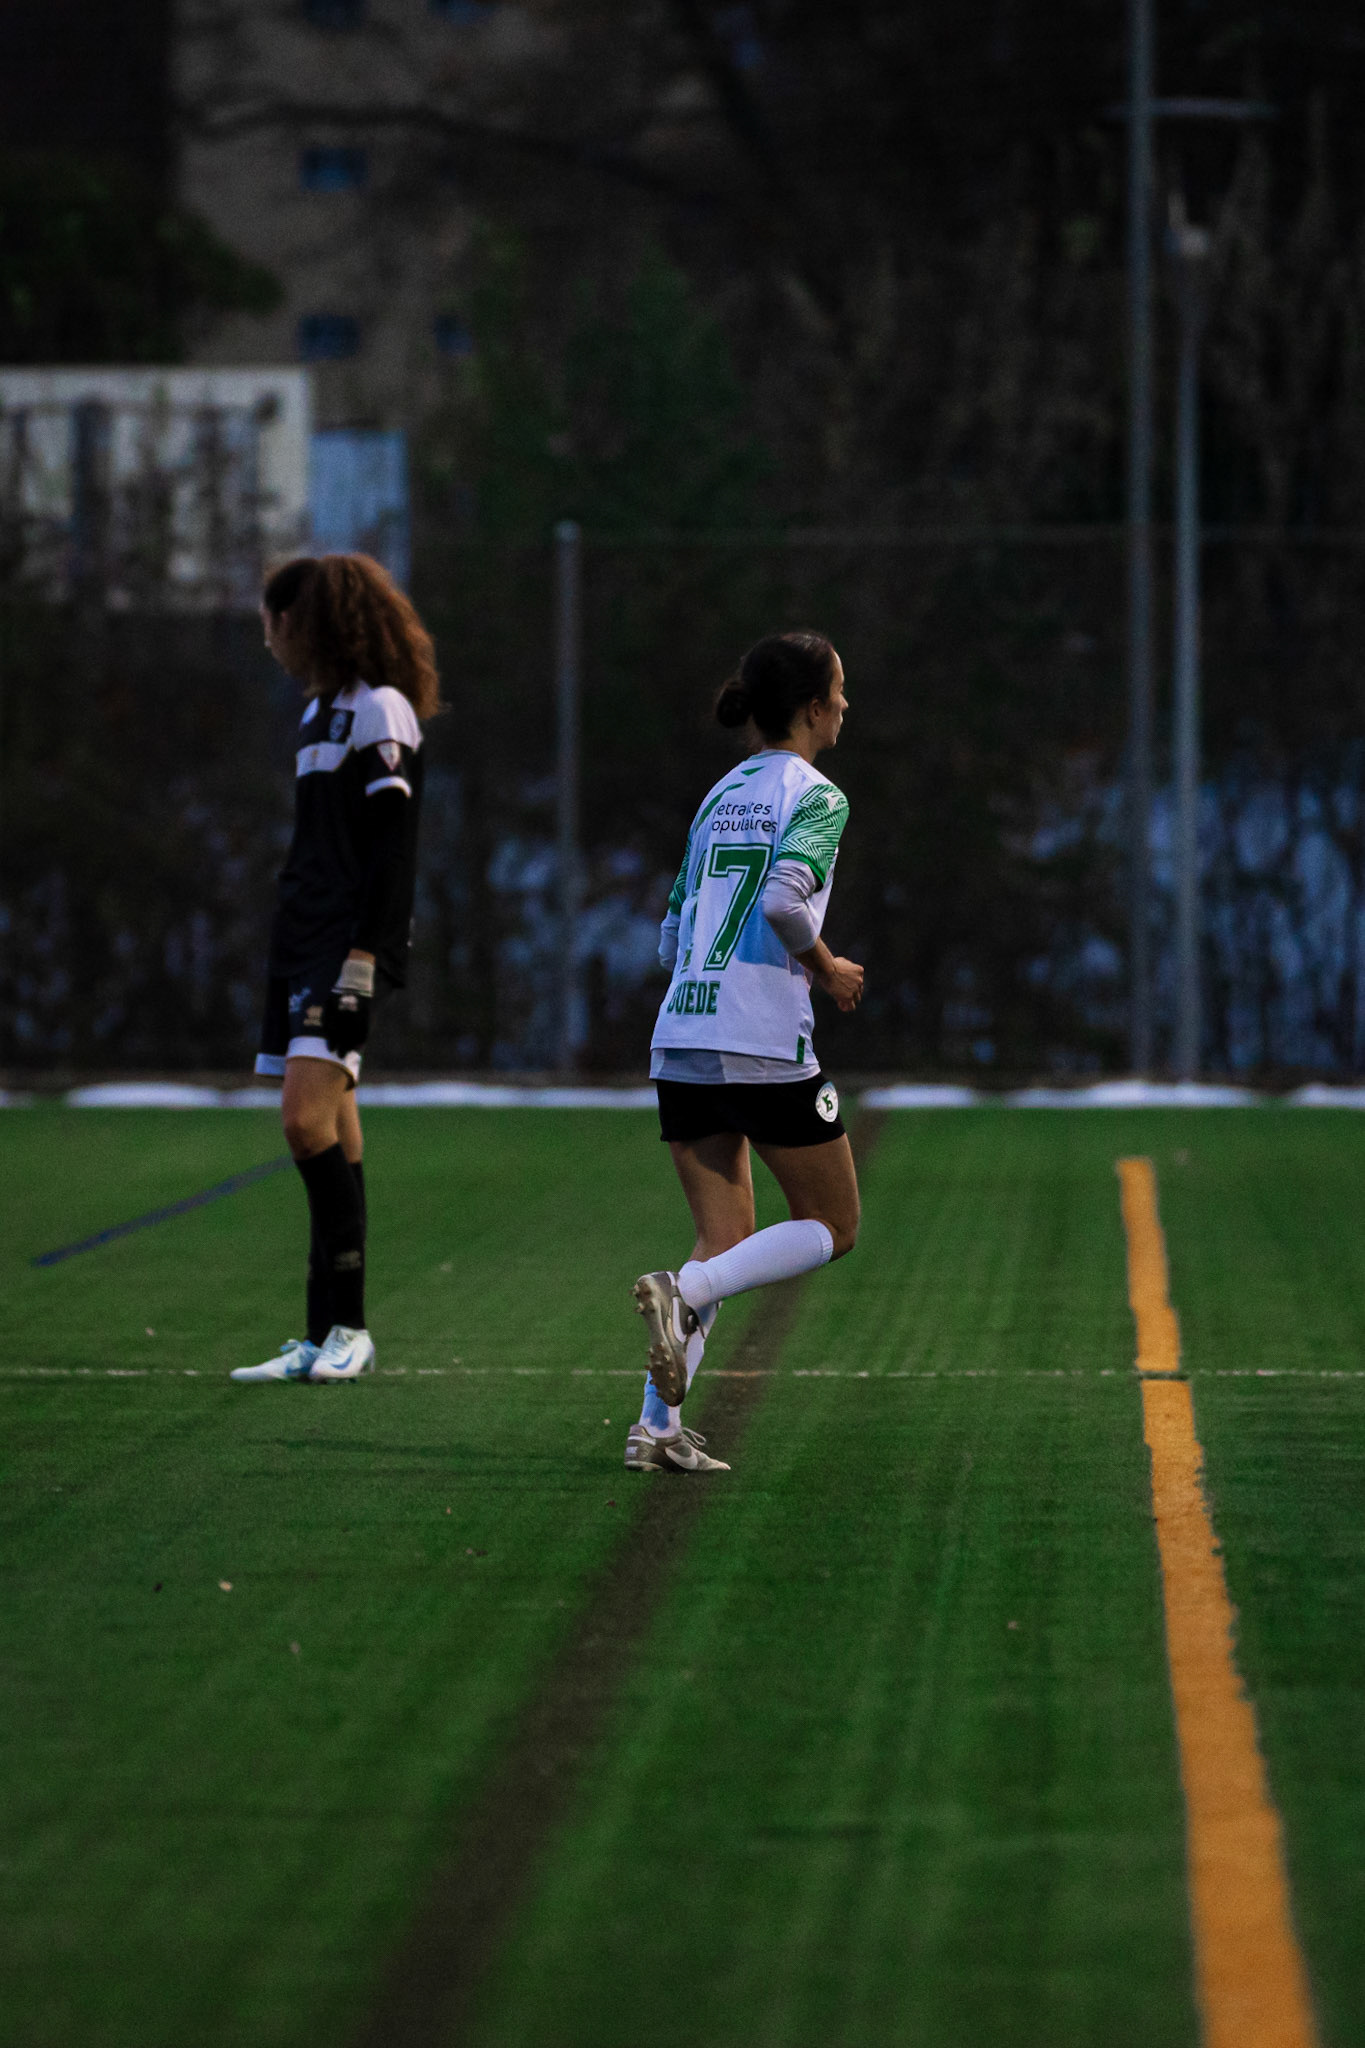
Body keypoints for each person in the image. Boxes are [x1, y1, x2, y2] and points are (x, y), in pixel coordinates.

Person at [628, 630, 863, 1471]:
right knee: (834, 1225)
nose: (846, 705)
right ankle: (683, 1291)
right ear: (812, 707)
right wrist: (828, 970)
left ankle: (655, 1429)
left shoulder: (717, 794)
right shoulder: (817, 796)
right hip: (759, 1041)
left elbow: (669, 935)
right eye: (839, 691)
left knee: (723, 1237)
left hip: (681, 1036)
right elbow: (782, 903)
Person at [230, 553, 441, 1384]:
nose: (267, 638)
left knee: (303, 1122)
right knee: (333, 1123)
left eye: (271, 621)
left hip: (344, 948)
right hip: (302, 942)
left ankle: (350, 1327)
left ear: (301, 621)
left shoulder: (380, 709)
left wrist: (363, 954)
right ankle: (323, 1334)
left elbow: (392, 848)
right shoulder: (318, 712)